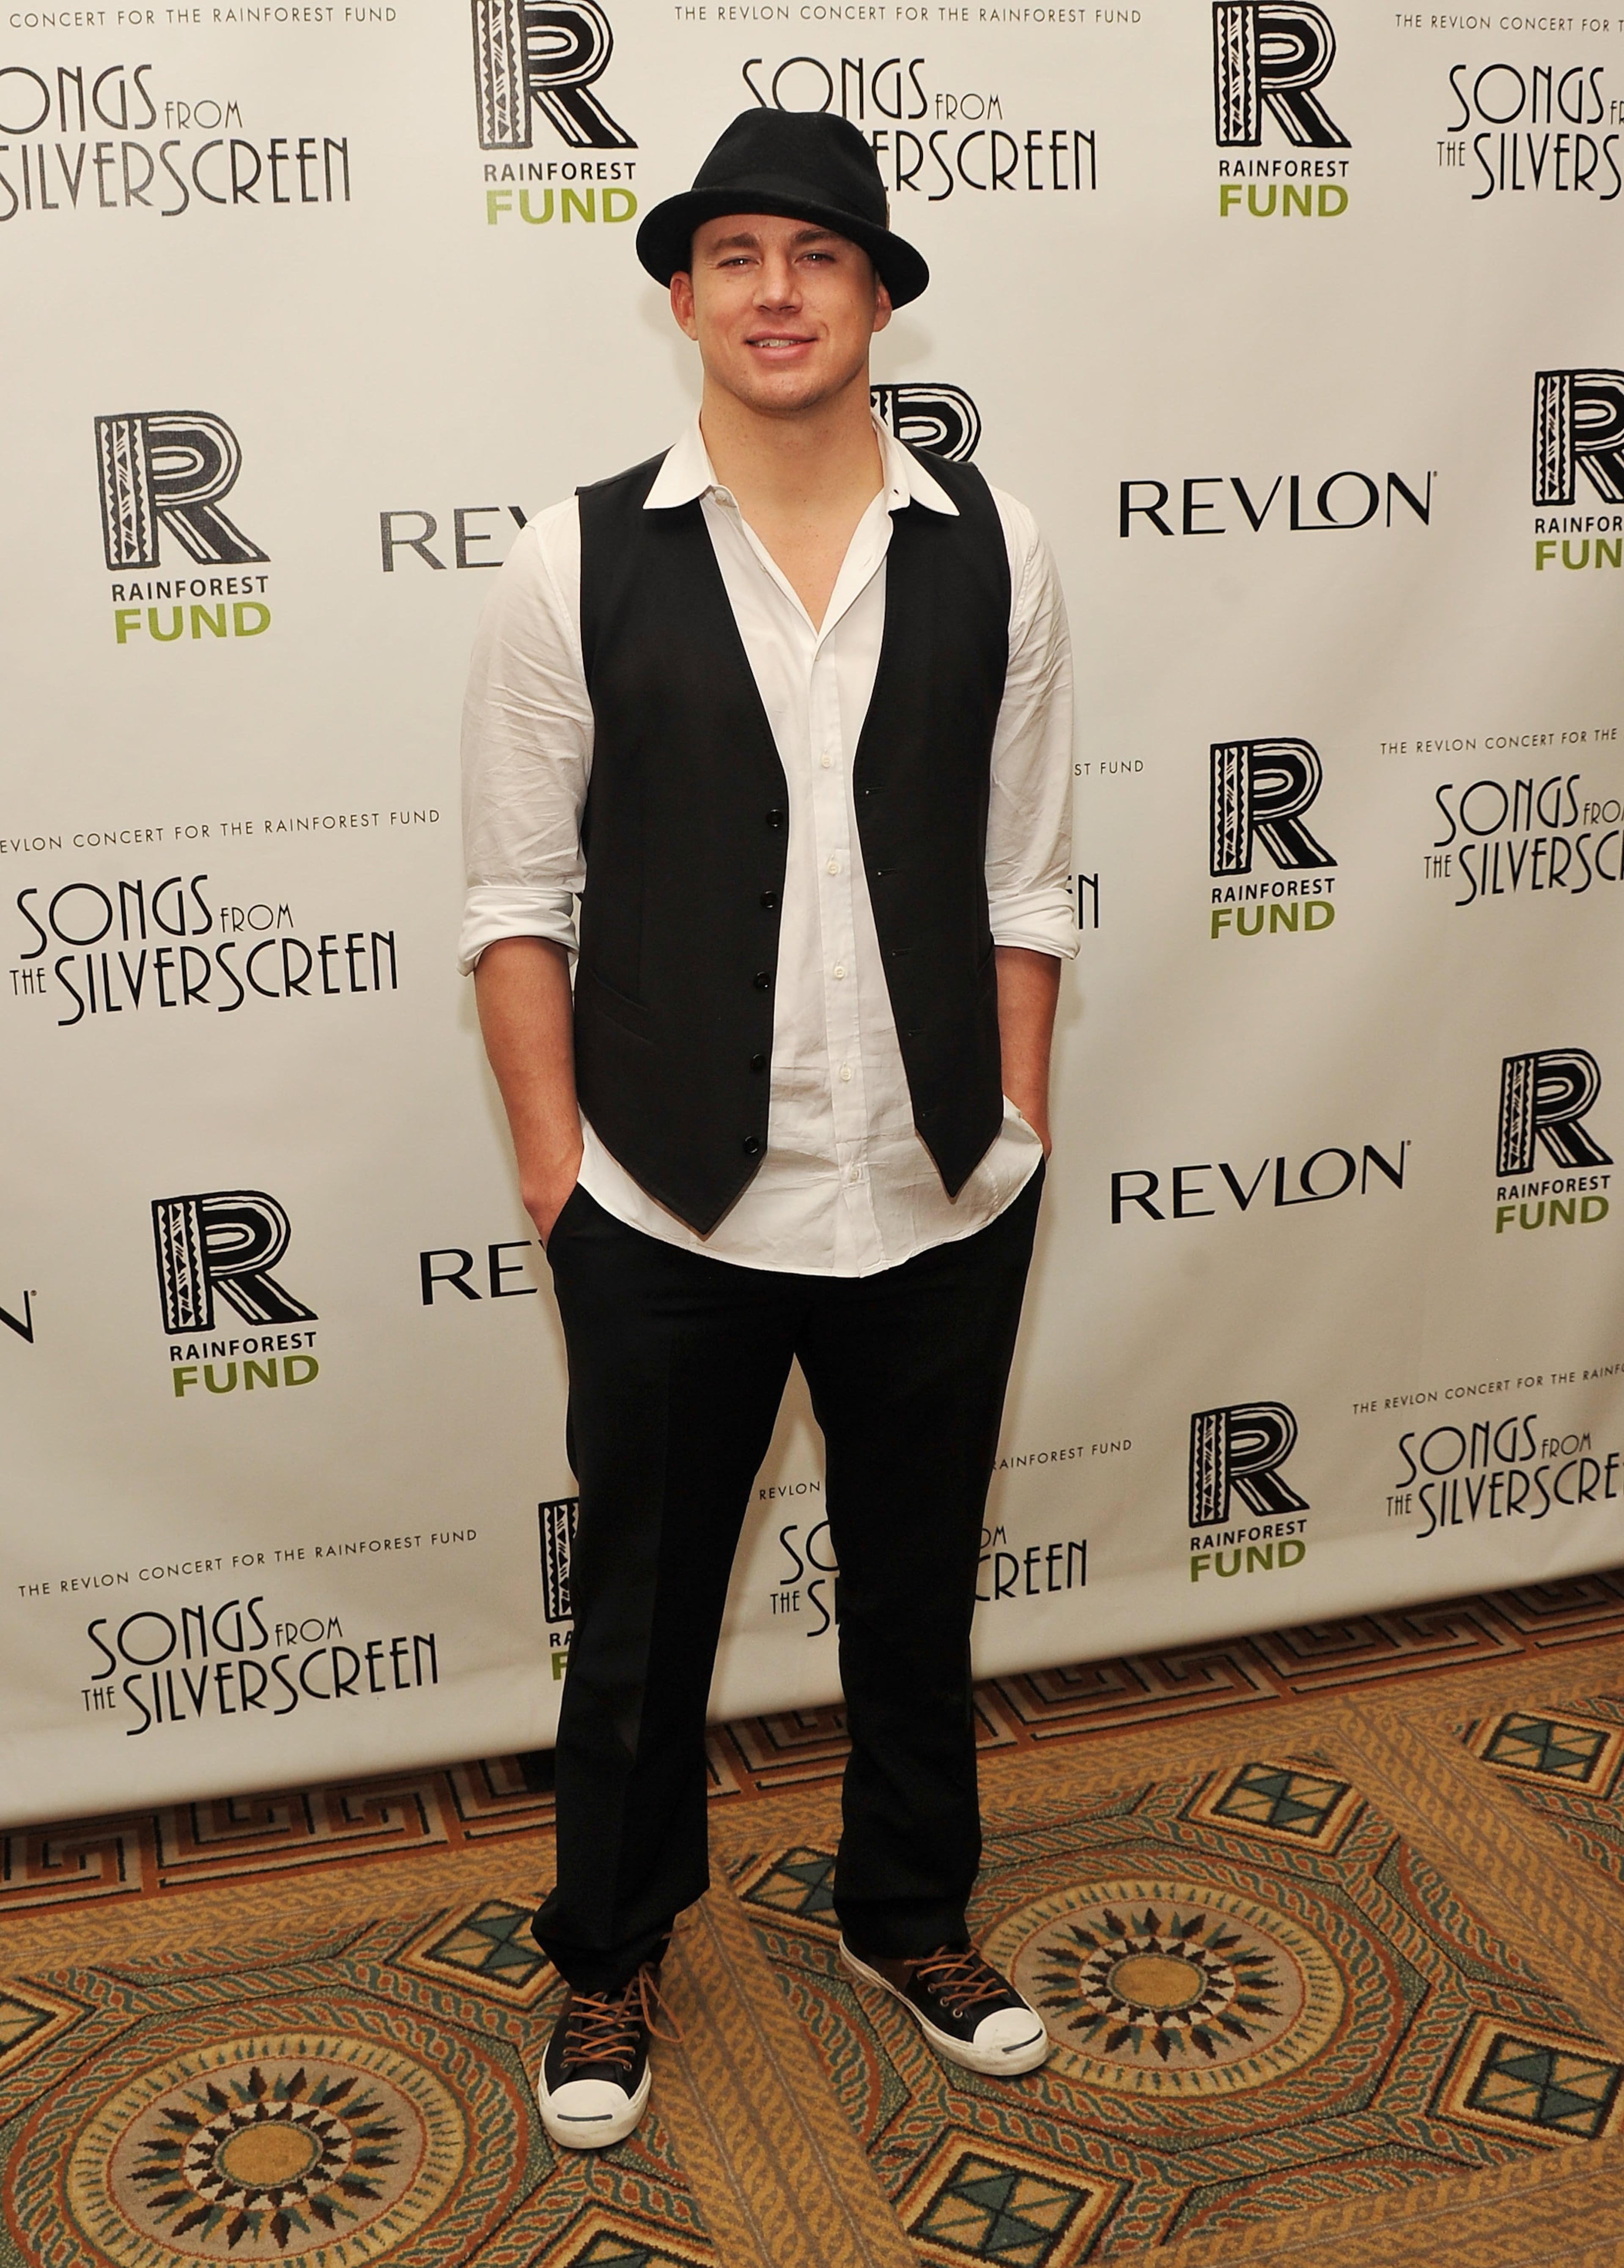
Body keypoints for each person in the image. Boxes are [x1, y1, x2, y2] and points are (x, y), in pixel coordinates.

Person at [460, 107, 1076, 2150]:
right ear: (684, 297)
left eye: (818, 256)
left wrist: (1016, 1128)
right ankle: (610, 1949)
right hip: (662, 1202)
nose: (778, 291)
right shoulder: (571, 559)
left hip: (935, 1186)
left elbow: (1024, 884)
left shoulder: (998, 548)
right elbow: (515, 902)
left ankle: (910, 1915)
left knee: (915, 1584)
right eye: (736, 255)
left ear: (880, 296)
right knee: (642, 1616)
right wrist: (561, 1182)